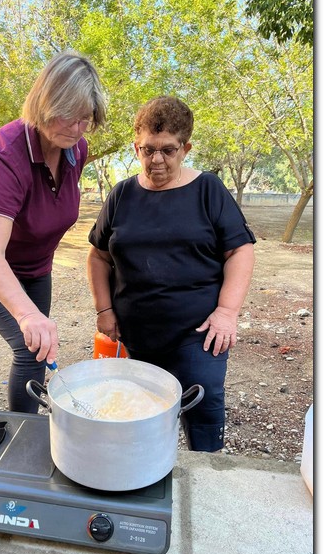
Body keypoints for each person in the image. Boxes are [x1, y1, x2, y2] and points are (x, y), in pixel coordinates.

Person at [87, 96, 255, 452]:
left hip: (199, 333)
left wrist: (227, 312)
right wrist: (104, 310)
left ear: (185, 148)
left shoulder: (208, 190)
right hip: (136, 334)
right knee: (140, 412)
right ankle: (147, 473)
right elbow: (98, 257)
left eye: (168, 150)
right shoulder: (121, 195)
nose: (157, 160)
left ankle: (206, 474)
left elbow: (240, 251)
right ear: (136, 147)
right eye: (148, 150)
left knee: (202, 406)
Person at [0, 50, 106, 413]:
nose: (76, 129)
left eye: (85, 119)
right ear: (44, 104)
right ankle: (23, 432)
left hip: (37, 263)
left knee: (40, 348)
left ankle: (32, 426)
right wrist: (26, 314)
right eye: (68, 115)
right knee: (29, 346)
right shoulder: (4, 153)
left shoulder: (77, 148)